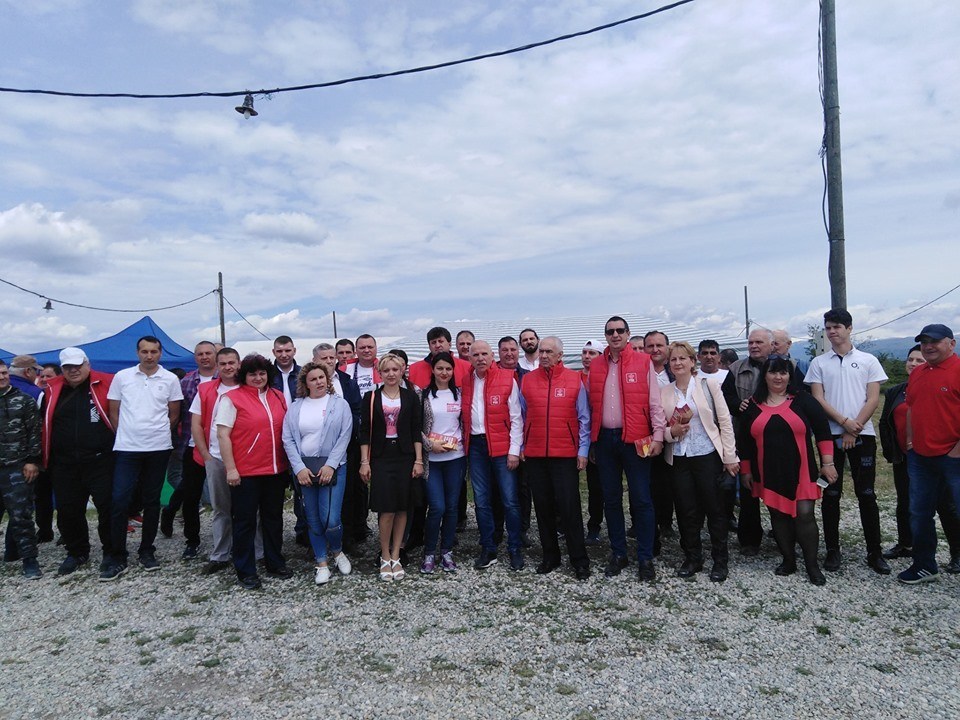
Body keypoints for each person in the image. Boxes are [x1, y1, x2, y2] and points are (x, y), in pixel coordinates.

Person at [805, 308, 890, 575]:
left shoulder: (868, 360)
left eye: (837, 327)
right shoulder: (819, 363)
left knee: (867, 494)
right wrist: (843, 423)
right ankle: (833, 550)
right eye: (828, 327)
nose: (832, 332)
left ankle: (874, 552)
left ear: (849, 328)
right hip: (830, 435)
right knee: (831, 494)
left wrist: (854, 429)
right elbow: (818, 398)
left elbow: (873, 398)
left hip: (862, 434)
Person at [739, 356, 837, 585]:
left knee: (805, 514)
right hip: (768, 471)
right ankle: (789, 560)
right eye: (773, 372)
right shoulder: (751, 405)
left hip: (802, 470)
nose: (778, 377)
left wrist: (828, 463)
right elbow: (744, 442)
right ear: (764, 376)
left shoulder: (803, 400)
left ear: (790, 376)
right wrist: (746, 470)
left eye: (783, 372)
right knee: (778, 515)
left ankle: (812, 566)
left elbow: (823, 431)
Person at [588, 316, 666, 581]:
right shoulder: (596, 365)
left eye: (620, 330)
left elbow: (654, 402)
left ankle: (645, 556)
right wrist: (592, 441)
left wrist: (658, 436)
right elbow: (592, 406)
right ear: (605, 336)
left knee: (641, 498)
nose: (615, 335)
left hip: (637, 439)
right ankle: (619, 553)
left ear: (628, 333)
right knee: (611, 499)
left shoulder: (643, 362)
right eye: (610, 331)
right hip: (605, 440)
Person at [101, 336, 183, 581]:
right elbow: (113, 411)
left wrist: (156, 432)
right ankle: (118, 555)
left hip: (158, 448)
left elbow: (174, 414)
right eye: (145, 351)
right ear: (137, 353)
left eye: (154, 351)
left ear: (160, 353)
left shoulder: (170, 379)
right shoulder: (122, 377)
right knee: (120, 499)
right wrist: (126, 434)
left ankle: (147, 550)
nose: (149, 356)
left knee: (151, 500)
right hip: (127, 448)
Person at [660, 342, 739, 582]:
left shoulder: (708, 385)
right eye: (673, 359)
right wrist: (671, 433)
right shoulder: (665, 392)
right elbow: (659, 428)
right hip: (679, 456)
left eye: (682, 358)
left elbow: (724, 422)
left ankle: (720, 560)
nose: (678, 363)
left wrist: (730, 456)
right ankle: (692, 557)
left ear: (692, 361)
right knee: (686, 510)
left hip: (706, 454)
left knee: (715, 508)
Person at [879, 344, 960, 569]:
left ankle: (957, 552)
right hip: (905, 457)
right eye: (910, 360)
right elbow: (885, 422)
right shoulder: (895, 391)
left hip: (937, 456)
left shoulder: (937, 384)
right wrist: (892, 451)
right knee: (906, 503)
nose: (913, 364)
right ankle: (906, 544)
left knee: (945, 505)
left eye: (919, 360)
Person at [216, 354, 290, 590]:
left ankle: (274, 562)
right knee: (245, 522)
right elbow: (223, 435)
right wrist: (231, 468)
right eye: (252, 374)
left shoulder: (277, 396)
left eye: (262, 373)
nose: (258, 378)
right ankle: (246, 570)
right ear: (244, 376)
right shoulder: (231, 398)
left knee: (273, 519)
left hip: (275, 470)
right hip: (246, 472)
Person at [520, 337, 591, 580]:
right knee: (543, 507)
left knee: (569, 507)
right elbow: (522, 415)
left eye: (549, 351)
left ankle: (579, 559)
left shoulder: (574, 380)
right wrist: (522, 445)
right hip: (536, 454)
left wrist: (582, 451)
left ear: (560, 355)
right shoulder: (528, 380)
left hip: (565, 455)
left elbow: (584, 418)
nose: (544, 355)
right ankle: (550, 556)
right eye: (542, 351)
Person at [40, 348, 115, 576]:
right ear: (62, 369)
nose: (73, 370)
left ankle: (112, 552)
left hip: (100, 459)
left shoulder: (106, 384)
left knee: (108, 508)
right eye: (68, 367)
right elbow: (41, 426)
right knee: (68, 510)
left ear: (87, 364)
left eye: (77, 365)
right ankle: (76, 551)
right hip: (64, 463)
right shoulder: (50, 391)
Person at [282, 362, 354, 585]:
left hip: (334, 467)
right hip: (305, 469)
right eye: (313, 379)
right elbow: (288, 439)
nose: (319, 382)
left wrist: (331, 465)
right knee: (312, 518)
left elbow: (345, 435)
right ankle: (321, 562)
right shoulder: (296, 407)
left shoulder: (340, 405)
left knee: (331, 519)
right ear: (305, 383)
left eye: (321, 377)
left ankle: (338, 550)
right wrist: (298, 468)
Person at [899, 324, 960, 584]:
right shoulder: (919, 373)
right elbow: (911, 407)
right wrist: (911, 441)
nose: (928, 346)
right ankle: (925, 566)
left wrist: (956, 450)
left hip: (953, 456)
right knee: (920, 513)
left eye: (935, 341)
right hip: (921, 457)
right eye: (924, 342)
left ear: (951, 343)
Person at [359, 353, 423, 581]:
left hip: (405, 455)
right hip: (381, 456)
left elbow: (416, 429)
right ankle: (384, 554)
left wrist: (418, 460)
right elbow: (365, 431)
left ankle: (397, 553)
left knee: (403, 506)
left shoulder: (410, 397)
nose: (391, 374)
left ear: (402, 371)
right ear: (380, 373)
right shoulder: (371, 397)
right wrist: (364, 461)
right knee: (386, 508)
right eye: (386, 370)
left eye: (395, 370)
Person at [463, 340, 526, 571]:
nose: (480, 358)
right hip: (476, 446)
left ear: (492, 356)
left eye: (484, 354)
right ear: (470, 358)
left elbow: (516, 417)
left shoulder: (507, 378)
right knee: (481, 501)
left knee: (510, 500)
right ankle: (488, 548)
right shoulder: (465, 381)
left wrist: (514, 450)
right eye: (475, 355)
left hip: (502, 447)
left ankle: (515, 548)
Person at [189, 347, 247, 575]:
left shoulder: (249, 387)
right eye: (223, 364)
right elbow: (196, 424)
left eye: (232, 363)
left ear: (239, 364)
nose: (228, 367)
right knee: (220, 508)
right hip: (215, 456)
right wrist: (205, 455)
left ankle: (256, 552)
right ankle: (221, 554)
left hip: (246, 459)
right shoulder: (205, 390)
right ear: (217, 365)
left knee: (250, 508)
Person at [162, 341, 218, 558]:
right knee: (191, 494)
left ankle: (227, 536)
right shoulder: (185, 382)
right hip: (191, 444)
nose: (204, 357)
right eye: (200, 354)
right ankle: (192, 540)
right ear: (195, 357)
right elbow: (176, 413)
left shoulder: (226, 379)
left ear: (215, 355)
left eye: (208, 353)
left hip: (220, 446)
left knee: (222, 494)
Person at [312, 343, 366, 550]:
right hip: (316, 450)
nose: (329, 361)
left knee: (348, 493)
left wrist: (347, 428)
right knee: (317, 495)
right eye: (323, 358)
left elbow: (357, 411)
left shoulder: (347, 381)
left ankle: (347, 537)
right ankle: (318, 539)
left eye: (331, 357)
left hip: (346, 446)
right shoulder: (308, 383)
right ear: (315, 360)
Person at [419, 351, 466, 574]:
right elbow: (414, 426)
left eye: (448, 368)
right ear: (433, 370)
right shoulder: (423, 395)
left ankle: (446, 551)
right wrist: (429, 445)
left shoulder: (460, 394)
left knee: (452, 507)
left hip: (455, 458)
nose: (444, 372)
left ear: (453, 370)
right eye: (440, 368)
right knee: (437, 506)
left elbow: (465, 423)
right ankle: (429, 551)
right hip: (432, 460)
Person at [0, 359, 42, 578]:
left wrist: (33, 461)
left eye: (4, 373)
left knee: (21, 516)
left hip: (16, 466)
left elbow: (35, 432)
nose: (2, 377)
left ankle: (29, 561)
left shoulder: (24, 400)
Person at [643, 330, 675, 549]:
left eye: (659, 345)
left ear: (667, 347)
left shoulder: (675, 371)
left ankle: (667, 521)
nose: (655, 350)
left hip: (674, 435)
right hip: (646, 436)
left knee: (670, 482)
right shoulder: (639, 372)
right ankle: (648, 527)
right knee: (648, 482)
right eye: (650, 346)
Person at [580, 340, 604, 545]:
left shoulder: (606, 376)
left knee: (604, 487)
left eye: (592, 353)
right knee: (593, 486)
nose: (587, 356)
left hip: (602, 436)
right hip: (583, 438)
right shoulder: (575, 377)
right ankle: (592, 526)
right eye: (585, 352)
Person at [407, 326, 472, 390]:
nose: (437, 345)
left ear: (449, 344)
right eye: (433, 342)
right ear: (429, 346)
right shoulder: (414, 369)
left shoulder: (467, 367)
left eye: (441, 341)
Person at [341, 334, 381, 399]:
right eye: (362, 348)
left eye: (370, 347)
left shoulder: (384, 368)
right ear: (356, 350)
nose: (366, 350)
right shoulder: (345, 369)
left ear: (376, 348)